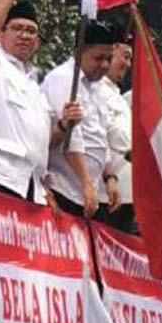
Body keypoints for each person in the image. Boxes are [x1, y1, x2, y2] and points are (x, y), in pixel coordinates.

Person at [0, 0, 82, 204]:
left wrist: (63, 124)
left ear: (38, 42)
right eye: (17, 28)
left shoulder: (35, 86)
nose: (24, 35)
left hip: (33, 188)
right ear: (1, 34)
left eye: (31, 31)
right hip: (0, 179)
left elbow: (46, 141)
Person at [41, 19, 122, 218]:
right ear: (78, 53)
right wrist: (86, 183)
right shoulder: (63, 79)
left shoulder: (98, 87)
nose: (104, 65)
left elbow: (99, 137)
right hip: (65, 189)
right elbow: (71, 137)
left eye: (109, 59)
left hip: (87, 193)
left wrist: (109, 177)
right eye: (98, 58)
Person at [94, 38, 136, 231]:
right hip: (107, 195)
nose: (127, 64)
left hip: (127, 196)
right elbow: (102, 137)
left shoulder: (118, 97)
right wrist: (110, 178)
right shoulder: (97, 90)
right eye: (125, 57)